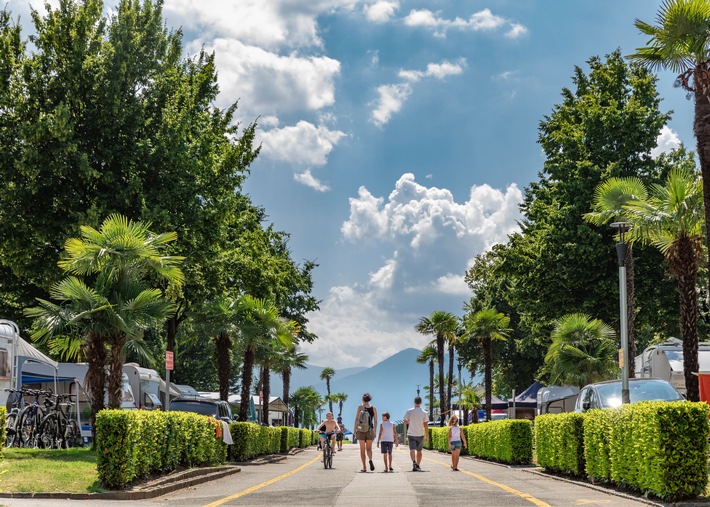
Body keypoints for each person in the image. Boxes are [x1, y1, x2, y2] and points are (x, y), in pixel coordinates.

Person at [403, 396, 429, 472]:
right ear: (421, 403)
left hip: (411, 433)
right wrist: (427, 436)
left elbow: (405, 421)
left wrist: (410, 421)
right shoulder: (424, 412)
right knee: (419, 451)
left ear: (414, 402)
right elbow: (426, 425)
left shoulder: (409, 411)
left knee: (412, 449)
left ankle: (414, 462)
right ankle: (418, 464)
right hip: (420, 434)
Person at [354, 393, 377, 472]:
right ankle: (370, 459)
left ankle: (364, 467)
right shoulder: (373, 408)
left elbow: (357, 419)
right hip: (370, 430)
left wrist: (355, 430)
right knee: (369, 449)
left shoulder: (360, 407)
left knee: (362, 449)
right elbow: (376, 421)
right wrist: (374, 431)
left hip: (361, 430)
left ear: (363, 399)